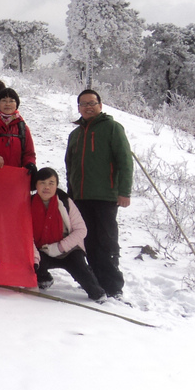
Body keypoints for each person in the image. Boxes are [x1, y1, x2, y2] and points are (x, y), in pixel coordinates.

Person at [64, 89, 133, 299]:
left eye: (92, 103)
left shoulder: (112, 128)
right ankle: (94, 280)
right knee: (87, 241)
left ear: (100, 105)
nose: (88, 107)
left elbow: (125, 161)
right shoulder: (75, 134)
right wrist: (70, 195)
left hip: (105, 196)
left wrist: (124, 192)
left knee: (106, 241)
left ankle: (113, 286)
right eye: (83, 104)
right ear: (78, 108)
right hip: (80, 197)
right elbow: (70, 166)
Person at [31, 168, 105, 301]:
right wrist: (35, 257)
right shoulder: (28, 204)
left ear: (56, 185)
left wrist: (59, 247)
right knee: (30, 264)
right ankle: (44, 279)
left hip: (68, 250)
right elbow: (25, 236)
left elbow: (81, 230)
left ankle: (98, 295)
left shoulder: (65, 202)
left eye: (51, 183)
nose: (46, 187)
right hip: (41, 250)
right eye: (42, 182)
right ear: (36, 185)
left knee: (82, 271)